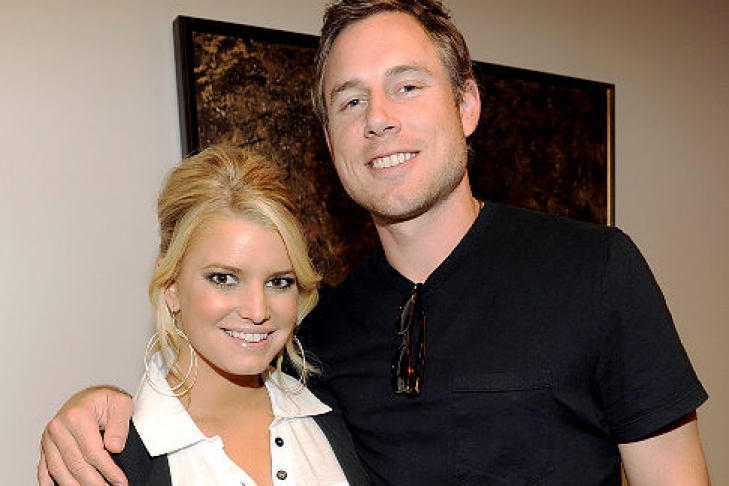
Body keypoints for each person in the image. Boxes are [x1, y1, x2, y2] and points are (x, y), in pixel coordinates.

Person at [39, 1, 710, 485]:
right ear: (330, 141)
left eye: (407, 87)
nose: (379, 120)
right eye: (351, 101)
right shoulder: (317, 335)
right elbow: (222, 397)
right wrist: (97, 406)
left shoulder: (592, 269)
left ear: (466, 105)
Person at [41, 145, 371, 485]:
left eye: (278, 282)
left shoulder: (337, 415)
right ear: (171, 285)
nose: (258, 311)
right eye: (224, 278)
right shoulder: (104, 459)